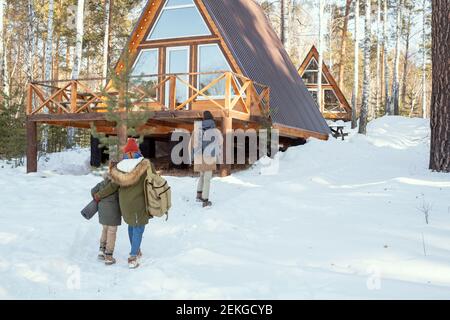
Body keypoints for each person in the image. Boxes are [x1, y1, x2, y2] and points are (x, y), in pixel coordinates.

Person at [94, 138, 152, 269]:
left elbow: (112, 187)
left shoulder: (119, 167)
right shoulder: (145, 165)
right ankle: (132, 257)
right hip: (139, 203)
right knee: (138, 228)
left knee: (132, 225)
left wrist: (99, 195)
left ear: (126, 153)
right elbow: (154, 181)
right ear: (137, 151)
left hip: (124, 204)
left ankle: (136, 250)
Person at [91, 161, 122, 265]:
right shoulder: (117, 183)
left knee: (105, 230)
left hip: (103, 211)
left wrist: (99, 200)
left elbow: (93, 190)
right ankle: (109, 256)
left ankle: (101, 251)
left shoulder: (103, 182)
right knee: (112, 232)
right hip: (113, 211)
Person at [194, 110, 217, 208]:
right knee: (207, 178)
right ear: (212, 118)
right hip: (209, 156)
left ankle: (199, 195)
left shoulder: (198, 128)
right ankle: (205, 200)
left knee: (202, 176)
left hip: (199, 155)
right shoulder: (213, 129)